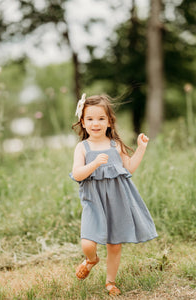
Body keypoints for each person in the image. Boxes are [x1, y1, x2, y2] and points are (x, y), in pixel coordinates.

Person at [70, 93, 158, 296]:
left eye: (101, 118)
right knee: (87, 243)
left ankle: (110, 282)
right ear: (83, 122)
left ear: (109, 121)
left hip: (117, 200)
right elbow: (77, 174)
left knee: (114, 244)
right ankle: (91, 259)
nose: (96, 123)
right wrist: (93, 164)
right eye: (90, 119)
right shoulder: (82, 148)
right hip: (93, 201)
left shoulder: (115, 145)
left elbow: (129, 168)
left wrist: (141, 149)